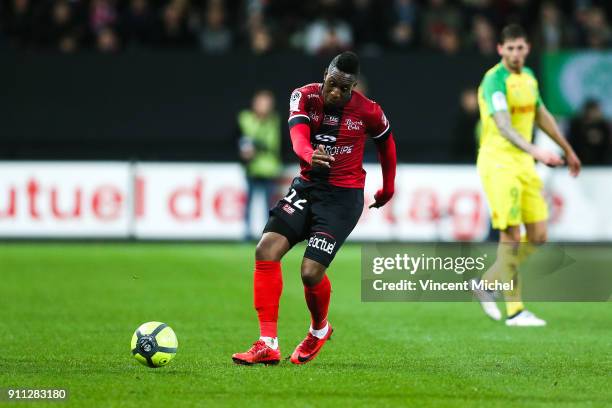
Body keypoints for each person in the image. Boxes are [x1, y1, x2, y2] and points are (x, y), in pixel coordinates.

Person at [232, 51, 397, 365]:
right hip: (307, 188)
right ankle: (267, 343)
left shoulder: (368, 111)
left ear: (354, 88)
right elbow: (297, 138)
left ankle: (319, 330)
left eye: (344, 89)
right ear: (325, 74)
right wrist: (309, 154)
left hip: (342, 198)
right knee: (266, 250)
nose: (336, 92)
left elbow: (387, 143)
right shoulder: (304, 96)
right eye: (333, 84)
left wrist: (388, 187)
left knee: (309, 272)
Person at [472, 24, 581, 327]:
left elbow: (541, 114)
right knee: (512, 236)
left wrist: (567, 149)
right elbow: (504, 126)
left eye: (521, 48)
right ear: (500, 49)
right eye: (510, 49)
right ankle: (516, 310)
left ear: (528, 48)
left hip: (524, 162)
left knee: (539, 235)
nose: (516, 54)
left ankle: (488, 283)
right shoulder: (494, 80)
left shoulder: (529, 77)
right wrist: (538, 152)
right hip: (498, 162)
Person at [237, 90, 282, 241]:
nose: (264, 106)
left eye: (267, 103)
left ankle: (267, 234)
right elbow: (237, 140)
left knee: (270, 206)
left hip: (270, 170)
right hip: (252, 169)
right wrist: (243, 154)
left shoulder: (276, 121)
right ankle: (247, 233)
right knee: (248, 203)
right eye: (261, 103)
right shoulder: (245, 119)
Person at [568, 99, 611, 165]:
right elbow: (571, 143)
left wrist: (601, 138)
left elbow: (608, 145)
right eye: (592, 111)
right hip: (581, 160)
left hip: (603, 163)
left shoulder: (604, 125)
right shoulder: (576, 125)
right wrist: (585, 136)